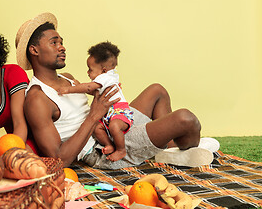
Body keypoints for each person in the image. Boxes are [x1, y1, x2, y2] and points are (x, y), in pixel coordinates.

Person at [16, 12, 219, 169]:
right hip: (101, 150)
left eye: (62, 42)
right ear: (34, 50)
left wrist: (110, 96)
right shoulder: (37, 98)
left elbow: (96, 96)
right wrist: (95, 115)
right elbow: (59, 159)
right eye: (54, 43)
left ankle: (171, 149)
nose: (62, 47)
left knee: (157, 90)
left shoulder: (68, 79)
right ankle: (186, 148)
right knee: (186, 119)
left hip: (108, 125)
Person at [57, 41, 133, 162]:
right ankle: (109, 145)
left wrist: (69, 89)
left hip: (119, 111)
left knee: (114, 126)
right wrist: (81, 86)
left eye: (90, 69)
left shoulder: (106, 77)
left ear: (103, 70)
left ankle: (121, 149)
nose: (88, 72)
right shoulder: (106, 78)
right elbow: (94, 92)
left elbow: (89, 88)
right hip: (107, 114)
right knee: (97, 128)